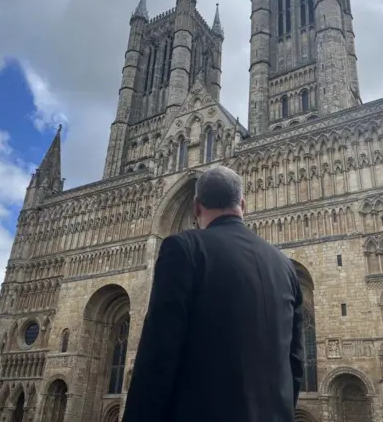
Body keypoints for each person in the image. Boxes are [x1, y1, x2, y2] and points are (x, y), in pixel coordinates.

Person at [122, 166, 304, 422]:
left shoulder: (184, 248)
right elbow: (295, 362)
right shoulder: (285, 265)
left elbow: (157, 356)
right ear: (242, 204)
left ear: (197, 208)